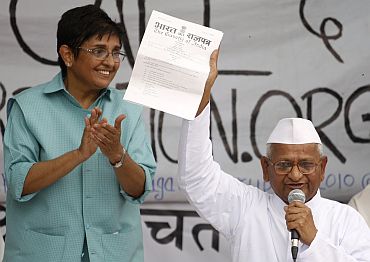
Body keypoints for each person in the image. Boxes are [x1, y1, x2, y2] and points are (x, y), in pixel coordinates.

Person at [177, 50, 370, 262]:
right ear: (265, 168)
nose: (295, 175)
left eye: (306, 165)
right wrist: (200, 94)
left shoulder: (346, 220)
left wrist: (314, 239)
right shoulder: (246, 208)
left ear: (322, 168)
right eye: (284, 164)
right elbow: (197, 177)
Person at [3, 5, 156, 262]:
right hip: (43, 254)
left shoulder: (127, 109)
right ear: (68, 55)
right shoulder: (27, 107)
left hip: (114, 253)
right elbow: (19, 181)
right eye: (98, 51)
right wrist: (79, 154)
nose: (110, 61)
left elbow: (140, 189)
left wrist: (117, 156)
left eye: (116, 52)